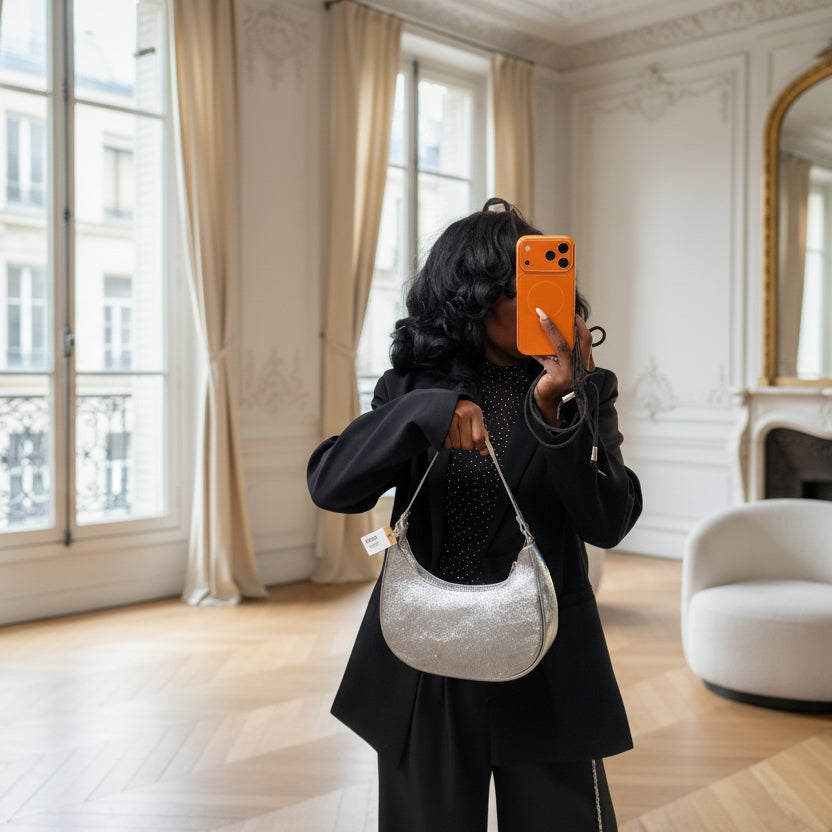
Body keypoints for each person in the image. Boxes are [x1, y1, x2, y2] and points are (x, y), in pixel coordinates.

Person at [307, 197, 642, 832]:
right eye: (518, 290)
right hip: (425, 654)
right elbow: (331, 485)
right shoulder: (411, 389)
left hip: (547, 655)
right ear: (472, 298)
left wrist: (555, 409)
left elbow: (608, 522)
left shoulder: (586, 389)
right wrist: (427, 413)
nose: (543, 306)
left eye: (549, 287)